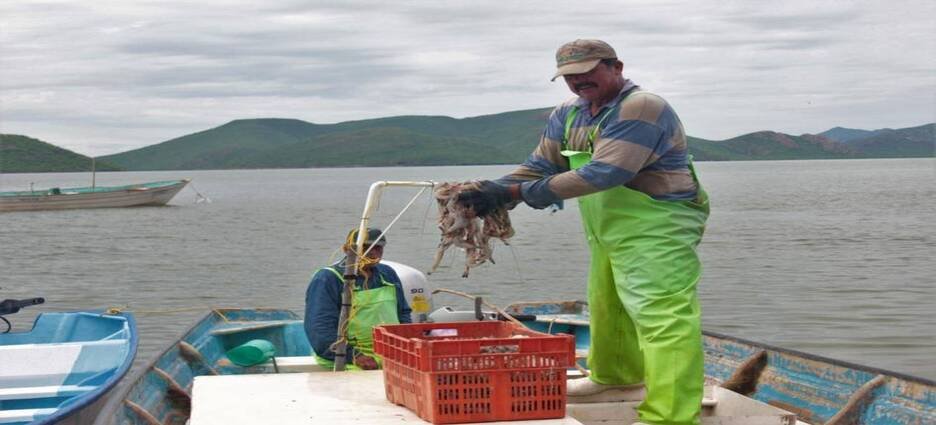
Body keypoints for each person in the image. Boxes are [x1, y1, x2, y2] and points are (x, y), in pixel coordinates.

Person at [457, 39, 709, 425]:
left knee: (663, 317)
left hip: (658, 224)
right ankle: (616, 379)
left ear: (616, 67)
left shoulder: (641, 107)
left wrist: (513, 193)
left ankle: (671, 416)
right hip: (608, 227)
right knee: (607, 305)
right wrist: (490, 191)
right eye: (570, 76)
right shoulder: (569, 113)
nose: (578, 81)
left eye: (588, 71)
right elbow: (540, 165)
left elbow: (606, 173)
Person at [303, 227, 412, 370]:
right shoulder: (327, 279)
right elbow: (320, 330)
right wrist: (355, 356)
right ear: (349, 249)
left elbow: (403, 314)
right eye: (365, 248)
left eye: (378, 248)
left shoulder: (387, 274)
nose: (373, 253)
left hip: (389, 355)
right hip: (346, 360)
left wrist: (407, 344)